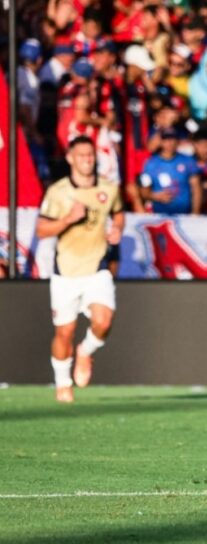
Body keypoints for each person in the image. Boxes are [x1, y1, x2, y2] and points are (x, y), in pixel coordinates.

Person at [35, 135, 124, 403]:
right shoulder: (58, 192)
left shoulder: (108, 189)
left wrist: (117, 228)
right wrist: (68, 219)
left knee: (104, 321)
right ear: (71, 158)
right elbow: (41, 230)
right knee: (64, 332)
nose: (87, 160)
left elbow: (118, 213)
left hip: (96, 269)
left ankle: (85, 352)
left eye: (90, 155)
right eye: (81, 155)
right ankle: (63, 383)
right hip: (66, 273)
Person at [138, 127, 202, 215]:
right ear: (161, 142)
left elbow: (196, 188)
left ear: (177, 141)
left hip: (185, 216)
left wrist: (195, 213)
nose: (170, 143)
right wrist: (155, 196)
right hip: (159, 216)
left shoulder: (188, 161)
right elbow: (144, 191)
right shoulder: (150, 164)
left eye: (173, 139)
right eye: (166, 139)